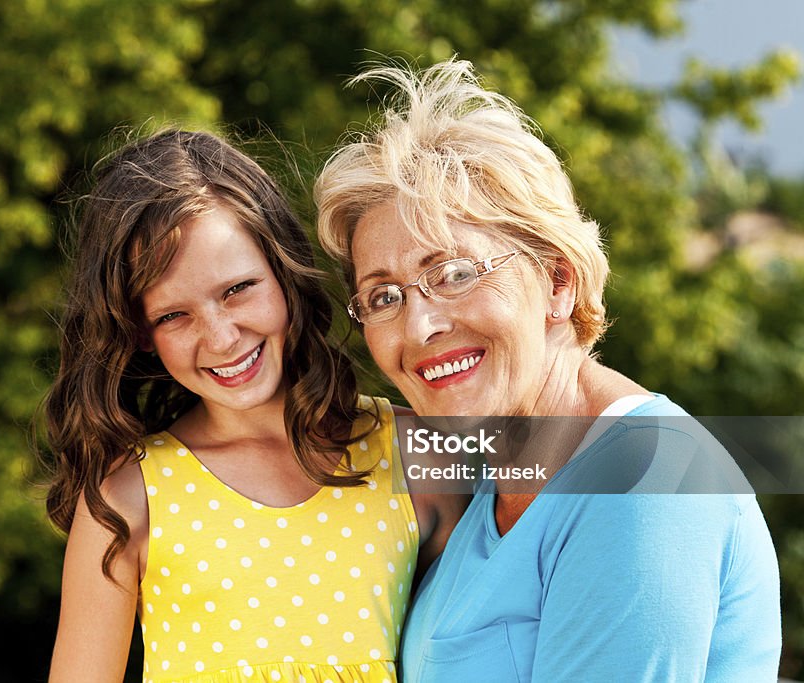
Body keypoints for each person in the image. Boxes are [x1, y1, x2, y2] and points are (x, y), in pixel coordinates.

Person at [315, 59, 781, 681]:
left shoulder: (644, 483)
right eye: (384, 296)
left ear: (558, 282)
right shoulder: (497, 482)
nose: (419, 328)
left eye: (455, 274)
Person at [41, 129, 462, 682]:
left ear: (284, 273)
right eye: (173, 315)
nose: (220, 338)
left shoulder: (414, 449)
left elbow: (595, 469)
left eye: (238, 289)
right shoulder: (126, 500)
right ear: (141, 332)